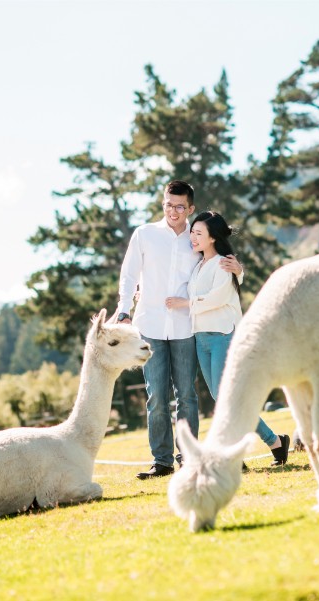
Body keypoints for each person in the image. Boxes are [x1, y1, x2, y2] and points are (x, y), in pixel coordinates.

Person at [115, 181, 242, 480]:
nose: (173, 211)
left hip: (186, 327)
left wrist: (240, 270)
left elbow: (223, 265)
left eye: (180, 206)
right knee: (156, 395)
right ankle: (161, 461)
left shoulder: (197, 238)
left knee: (186, 395)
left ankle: (190, 457)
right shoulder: (144, 234)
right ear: (163, 203)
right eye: (169, 205)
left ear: (190, 208)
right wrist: (124, 309)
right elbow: (129, 274)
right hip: (150, 325)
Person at [166, 211, 289, 469]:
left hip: (223, 335)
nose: (193, 237)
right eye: (193, 232)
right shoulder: (198, 265)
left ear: (213, 238)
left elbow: (217, 299)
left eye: (199, 233)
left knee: (226, 397)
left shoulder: (223, 263)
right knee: (225, 398)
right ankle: (275, 441)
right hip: (201, 337)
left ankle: (236, 456)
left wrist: (185, 304)